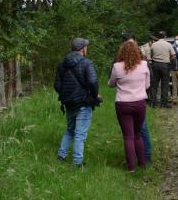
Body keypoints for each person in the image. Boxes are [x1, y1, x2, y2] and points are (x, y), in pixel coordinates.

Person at [54, 38, 99, 167]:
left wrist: (66, 95)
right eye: (86, 46)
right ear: (83, 49)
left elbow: (57, 85)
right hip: (83, 103)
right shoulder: (87, 63)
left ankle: (61, 156)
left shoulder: (62, 63)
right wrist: (94, 96)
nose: (87, 49)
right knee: (80, 134)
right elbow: (93, 82)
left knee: (69, 130)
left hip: (68, 103)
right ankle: (77, 162)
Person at [108, 41, 150, 172]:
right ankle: (142, 164)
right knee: (138, 135)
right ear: (137, 52)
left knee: (128, 136)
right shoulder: (144, 65)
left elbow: (111, 84)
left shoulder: (117, 66)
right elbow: (147, 85)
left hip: (123, 104)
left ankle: (131, 167)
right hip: (140, 103)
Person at [150, 30, 176, 108]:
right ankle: (163, 103)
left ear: (158, 37)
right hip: (165, 65)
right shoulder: (168, 45)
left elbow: (151, 55)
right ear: (165, 37)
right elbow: (174, 55)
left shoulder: (153, 45)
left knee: (154, 85)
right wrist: (169, 60)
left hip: (155, 65)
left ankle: (153, 103)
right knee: (165, 85)